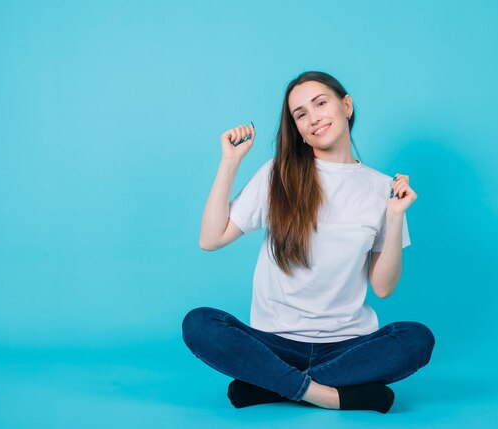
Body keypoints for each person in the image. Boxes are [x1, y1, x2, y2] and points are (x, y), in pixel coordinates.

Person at [182, 71, 435, 413]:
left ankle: (271, 385)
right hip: (274, 342)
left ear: (346, 106)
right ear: (297, 129)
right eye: (301, 114)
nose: (313, 117)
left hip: (347, 346)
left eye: (320, 103)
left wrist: (393, 216)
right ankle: (328, 395)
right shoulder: (278, 174)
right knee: (200, 323)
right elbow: (211, 239)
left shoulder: (382, 188)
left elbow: (383, 287)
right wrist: (230, 162)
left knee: (416, 338)